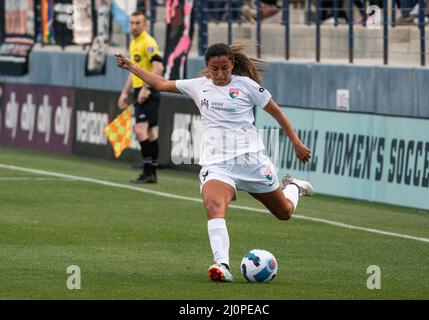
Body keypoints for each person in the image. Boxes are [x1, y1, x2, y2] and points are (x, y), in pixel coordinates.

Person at [115, 42, 315, 282]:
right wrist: (130, 67)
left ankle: (294, 187)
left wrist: (296, 142)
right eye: (215, 69)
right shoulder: (199, 86)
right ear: (207, 68)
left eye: (225, 68)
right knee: (213, 207)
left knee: (284, 213)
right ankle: (222, 265)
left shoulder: (248, 86)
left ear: (232, 65)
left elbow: (278, 113)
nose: (220, 74)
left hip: (251, 162)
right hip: (217, 165)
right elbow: (160, 83)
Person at [117, 11, 164, 183]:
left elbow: (158, 67)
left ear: (145, 24)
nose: (134, 26)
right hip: (139, 90)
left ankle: (148, 171)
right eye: (132, 23)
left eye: (138, 23)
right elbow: (133, 72)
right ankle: (151, 172)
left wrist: (146, 88)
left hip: (149, 91)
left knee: (140, 130)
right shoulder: (134, 43)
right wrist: (124, 92)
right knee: (150, 132)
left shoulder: (148, 42)